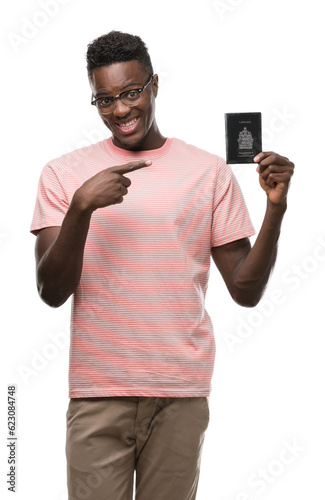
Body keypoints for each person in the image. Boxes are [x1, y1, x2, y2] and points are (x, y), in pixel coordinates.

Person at [30, 30, 294, 500]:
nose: (121, 109)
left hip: (180, 393)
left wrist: (275, 208)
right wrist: (81, 208)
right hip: (98, 393)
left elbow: (246, 291)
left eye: (132, 92)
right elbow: (51, 291)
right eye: (105, 99)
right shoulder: (63, 174)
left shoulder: (207, 170)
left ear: (155, 85)